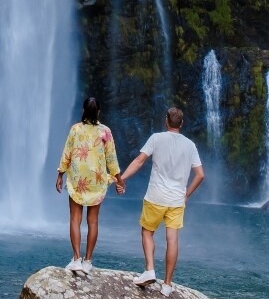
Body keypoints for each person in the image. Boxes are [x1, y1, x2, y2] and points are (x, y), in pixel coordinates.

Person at [120, 107, 204, 296]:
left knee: (147, 232)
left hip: (155, 197)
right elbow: (200, 175)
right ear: (181, 124)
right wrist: (187, 194)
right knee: (172, 240)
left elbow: (139, 161)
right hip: (176, 200)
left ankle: (149, 269)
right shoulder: (190, 145)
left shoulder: (156, 138)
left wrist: (122, 178)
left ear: (166, 121)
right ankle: (167, 284)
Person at [56, 97, 126, 275]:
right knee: (93, 221)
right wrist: (119, 179)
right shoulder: (105, 132)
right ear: (99, 112)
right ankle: (88, 261)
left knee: (75, 219)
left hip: (78, 179)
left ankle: (76, 259)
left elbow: (67, 153)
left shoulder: (75, 129)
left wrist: (60, 174)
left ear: (83, 111)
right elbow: (111, 158)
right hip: (96, 180)